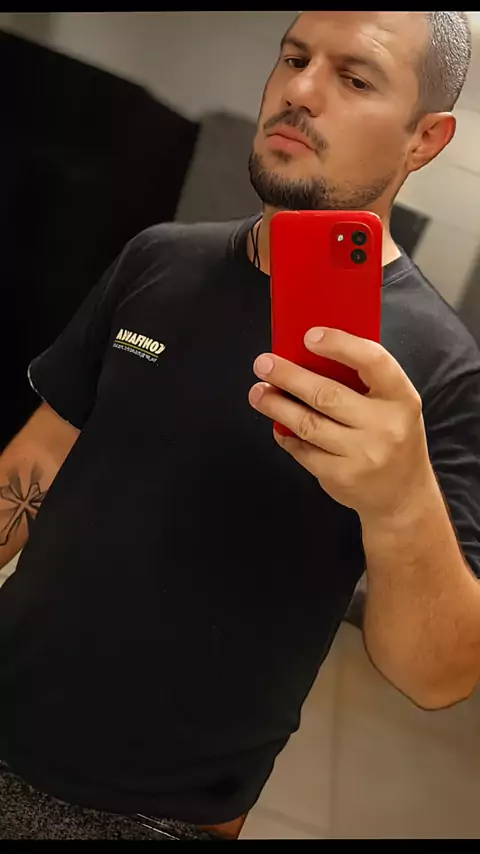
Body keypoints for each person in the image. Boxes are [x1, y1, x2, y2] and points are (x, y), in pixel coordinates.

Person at [1, 10, 479, 841]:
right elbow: (35, 462)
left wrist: (402, 501)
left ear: (425, 139)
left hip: (158, 815)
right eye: (294, 57)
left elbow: (436, 677)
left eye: (353, 77)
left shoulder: (440, 368)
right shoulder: (159, 257)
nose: (301, 90)